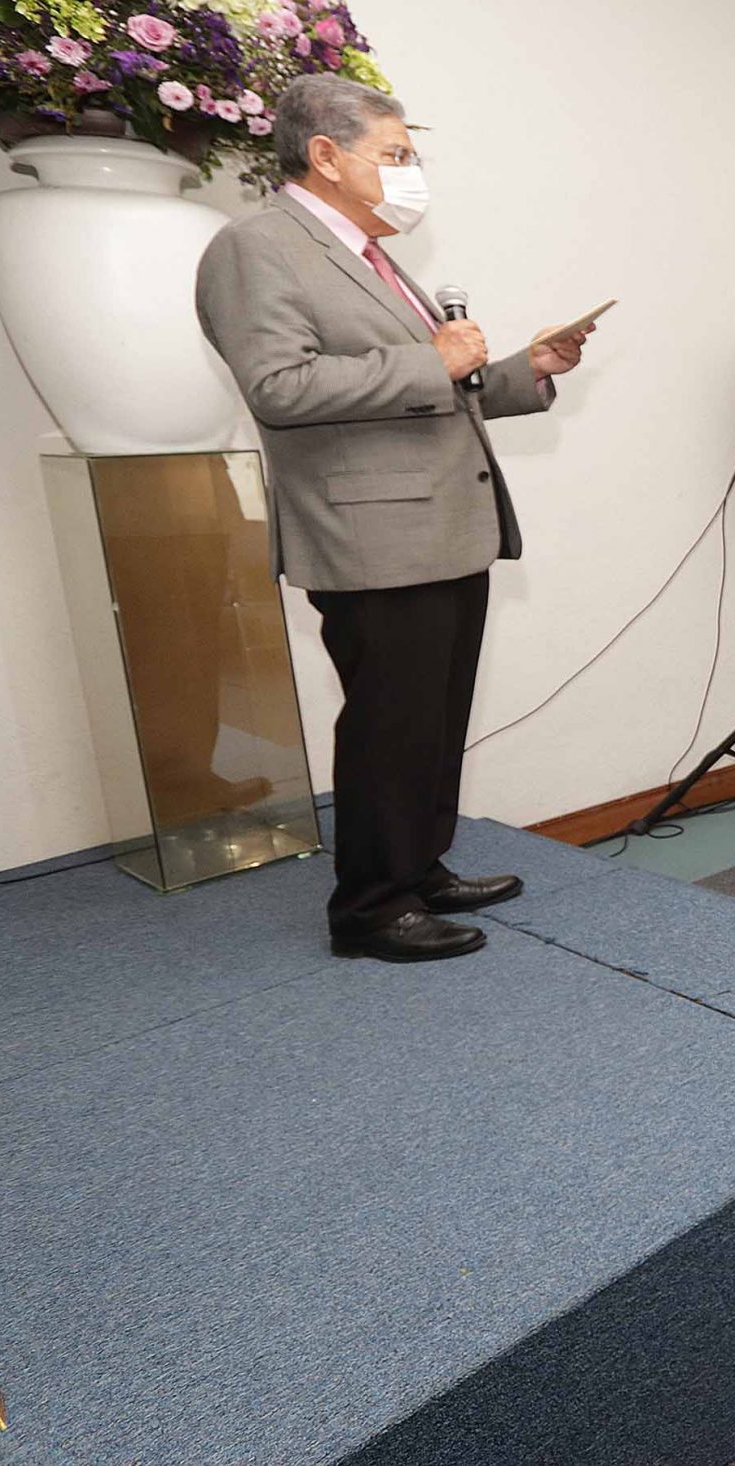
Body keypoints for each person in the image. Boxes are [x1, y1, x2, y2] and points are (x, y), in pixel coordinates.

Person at [196, 75, 596, 964]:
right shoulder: (256, 246)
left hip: (447, 525)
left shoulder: (370, 253)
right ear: (325, 155)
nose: (411, 174)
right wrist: (431, 359)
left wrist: (527, 367)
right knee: (388, 723)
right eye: (396, 155)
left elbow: (438, 385)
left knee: (435, 715)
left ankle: (419, 866)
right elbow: (279, 388)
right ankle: (371, 908)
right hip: (371, 539)